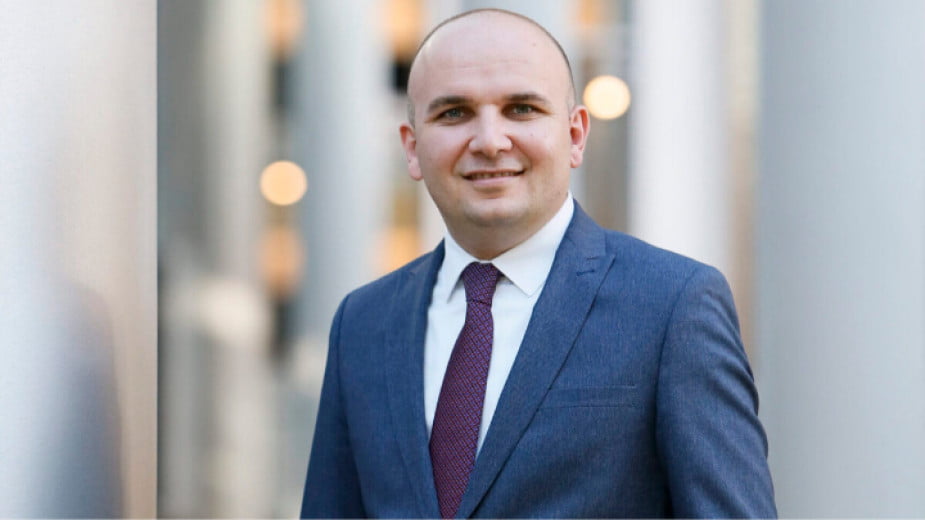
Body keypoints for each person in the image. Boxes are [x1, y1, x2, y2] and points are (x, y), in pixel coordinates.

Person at [301, 8, 776, 519]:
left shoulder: (672, 307)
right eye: (454, 113)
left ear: (575, 135)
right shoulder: (362, 324)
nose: (489, 141)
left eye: (522, 109)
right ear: (412, 148)